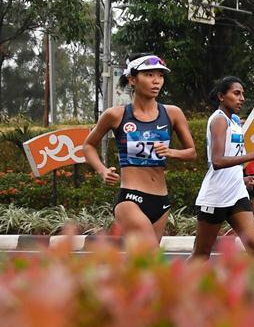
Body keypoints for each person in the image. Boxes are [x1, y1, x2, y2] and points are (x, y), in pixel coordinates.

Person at [83, 53, 196, 244]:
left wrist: (170, 152)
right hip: (131, 198)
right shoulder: (115, 115)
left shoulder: (173, 113)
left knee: (143, 266)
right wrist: (102, 170)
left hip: (162, 200)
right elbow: (88, 145)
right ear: (132, 80)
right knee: (150, 256)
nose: (156, 81)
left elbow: (192, 152)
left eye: (160, 75)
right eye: (149, 75)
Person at [191, 76, 254, 259]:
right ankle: (175, 288)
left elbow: (233, 155)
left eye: (242, 94)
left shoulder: (235, 120)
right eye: (236, 93)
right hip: (216, 195)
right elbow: (218, 161)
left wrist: (240, 177)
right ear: (221, 96)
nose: (241, 98)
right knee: (201, 253)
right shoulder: (219, 120)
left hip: (236, 192)